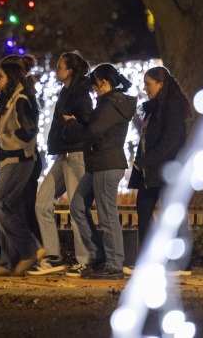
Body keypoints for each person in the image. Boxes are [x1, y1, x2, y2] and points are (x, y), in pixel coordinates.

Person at [29, 51, 99, 276]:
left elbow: (89, 126)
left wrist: (72, 126)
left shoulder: (81, 94)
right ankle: (53, 256)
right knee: (42, 203)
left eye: (60, 67)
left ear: (69, 71)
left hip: (76, 155)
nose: (56, 70)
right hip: (62, 155)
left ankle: (85, 260)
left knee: (77, 208)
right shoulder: (66, 91)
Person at [63, 63, 135, 280]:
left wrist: (73, 124)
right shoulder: (108, 102)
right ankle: (100, 255)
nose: (93, 89)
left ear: (104, 82)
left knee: (107, 215)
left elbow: (93, 130)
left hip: (107, 163)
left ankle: (114, 264)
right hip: (98, 163)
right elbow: (94, 126)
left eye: (95, 84)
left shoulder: (112, 104)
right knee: (77, 205)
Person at [128, 66, 191, 269]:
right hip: (152, 171)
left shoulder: (171, 107)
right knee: (144, 210)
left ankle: (182, 262)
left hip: (167, 170)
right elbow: (146, 136)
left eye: (148, 84)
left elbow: (170, 140)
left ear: (161, 84)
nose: (145, 88)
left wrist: (146, 160)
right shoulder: (154, 107)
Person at [0, 61, 41, 276]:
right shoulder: (8, 100)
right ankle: (9, 261)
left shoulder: (21, 99)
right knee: (7, 207)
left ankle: (28, 250)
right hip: (10, 160)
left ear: (11, 77)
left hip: (20, 160)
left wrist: (0, 143)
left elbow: (27, 133)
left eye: (0, 76)